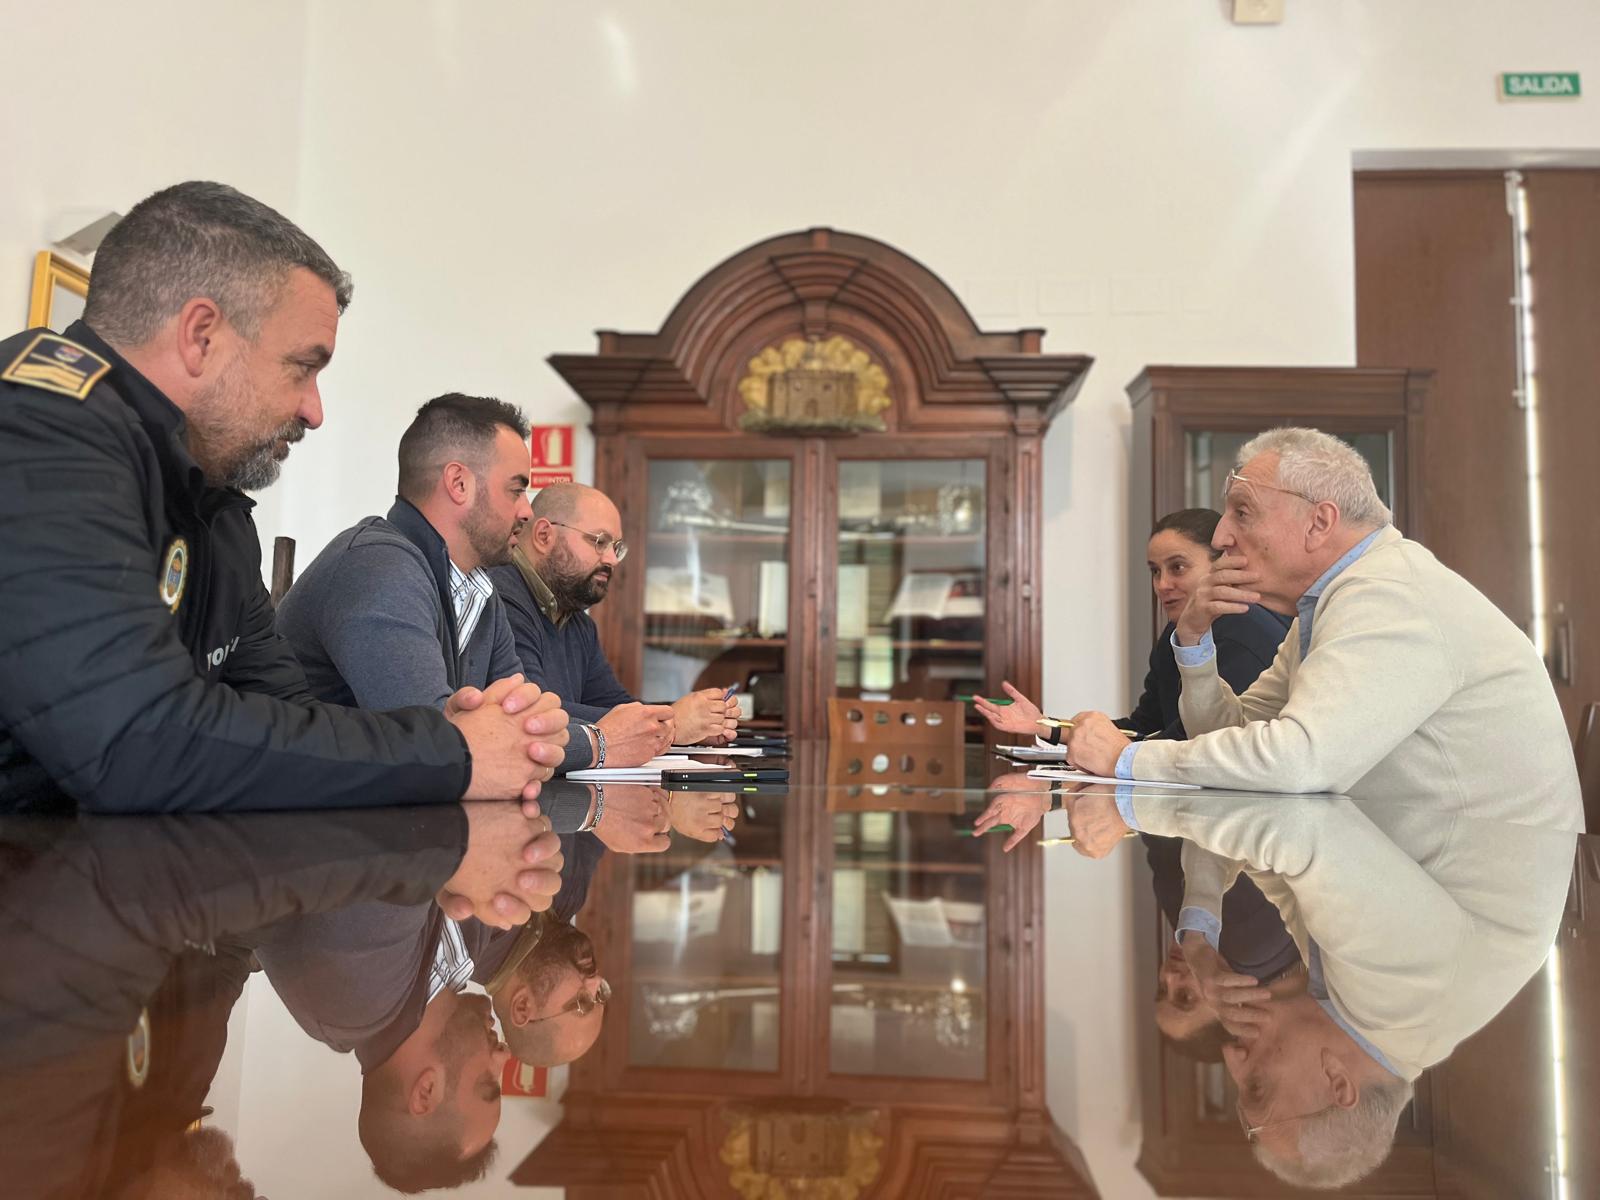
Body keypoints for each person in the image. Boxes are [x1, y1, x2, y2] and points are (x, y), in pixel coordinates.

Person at [0, 181, 564, 816]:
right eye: (303, 367)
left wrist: (448, 732)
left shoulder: (213, 504)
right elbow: (138, 741)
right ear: (201, 336)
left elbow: (288, 716)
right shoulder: (37, 427)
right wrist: (449, 751)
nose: (314, 410)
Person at [1055, 780, 1577, 1188]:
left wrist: (1197, 935)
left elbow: (1257, 828)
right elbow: (1288, 812)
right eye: (1257, 1087)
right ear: (1338, 1084)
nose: (1233, 1057)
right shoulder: (1399, 993)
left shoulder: (1385, 1014)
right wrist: (1128, 798)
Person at [1064, 427, 1582, 836]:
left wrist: (1126, 759)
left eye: (1242, 512)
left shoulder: (1389, 595)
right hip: (1416, 877)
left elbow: (1298, 763)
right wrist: (1195, 639)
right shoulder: (1332, 601)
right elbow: (1230, 735)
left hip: (1472, 898)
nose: (1221, 535)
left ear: (1319, 522)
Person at [975, 509, 1298, 1055]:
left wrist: (1096, 765)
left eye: (1177, 567)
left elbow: (1207, 756)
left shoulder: (1241, 629)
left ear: (1223, 566)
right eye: (1156, 571)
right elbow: (1149, 731)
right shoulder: (1184, 634)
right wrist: (1047, 729)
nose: (1163, 584)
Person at [488, 482, 740, 771]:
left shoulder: (578, 623)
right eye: (599, 542)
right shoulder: (501, 599)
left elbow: (615, 706)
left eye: (616, 547)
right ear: (544, 535)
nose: (611, 559)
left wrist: (695, 723)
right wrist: (673, 723)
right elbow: (533, 714)